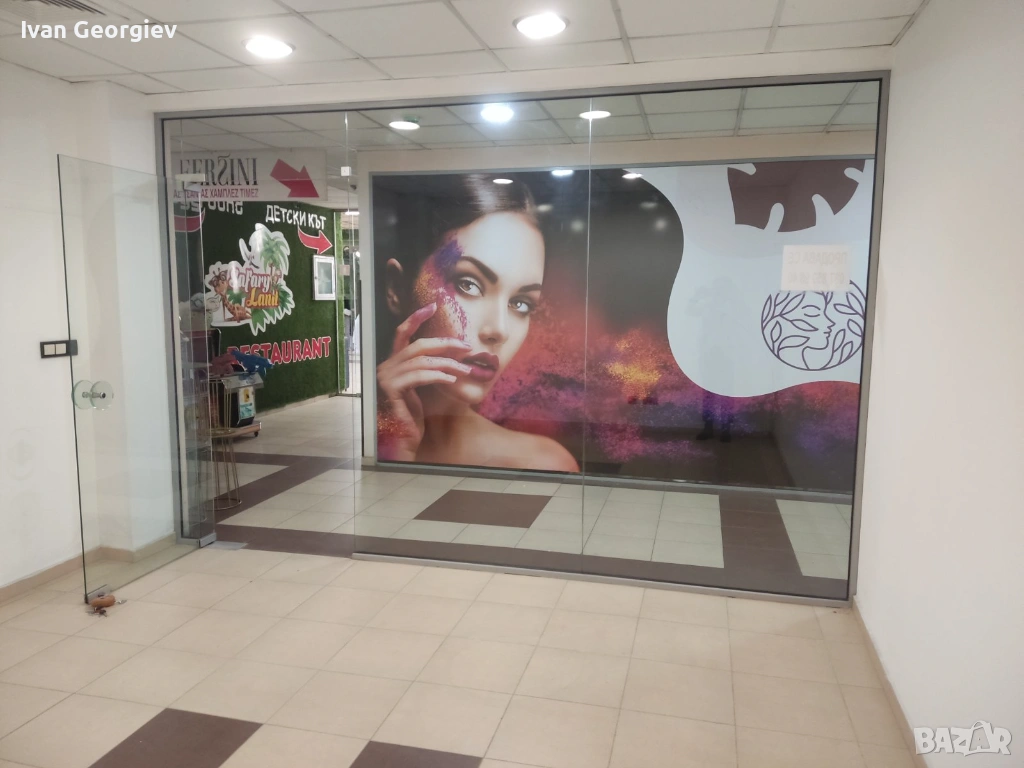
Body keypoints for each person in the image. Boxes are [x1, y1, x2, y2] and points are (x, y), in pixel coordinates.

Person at [376, 174, 579, 472]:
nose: (499, 330)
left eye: (521, 303)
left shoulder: (546, 463)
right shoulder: (361, 441)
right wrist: (395, 450)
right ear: (397, 289)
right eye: (468, 285)